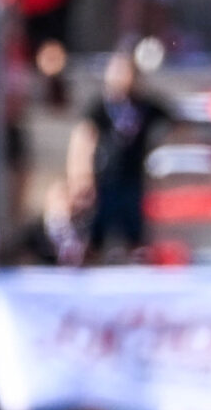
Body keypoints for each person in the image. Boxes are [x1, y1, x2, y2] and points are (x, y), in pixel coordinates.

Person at [66, 51, 170, 259]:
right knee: (96, 233)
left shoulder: (144, 105)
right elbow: (84, 137)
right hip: (105, 179)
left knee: (135, 235)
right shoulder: (101, 106)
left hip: (133, 178)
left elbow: (174, 123)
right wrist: (80, 174)